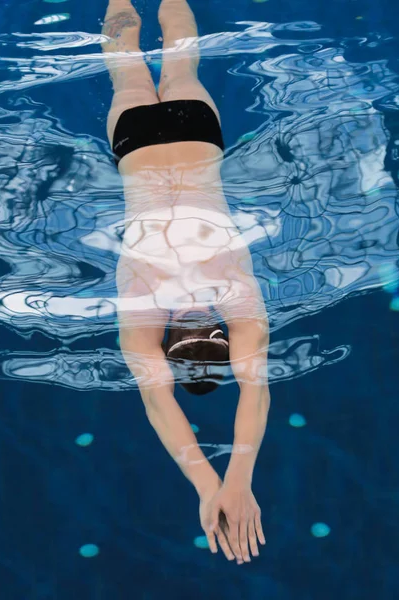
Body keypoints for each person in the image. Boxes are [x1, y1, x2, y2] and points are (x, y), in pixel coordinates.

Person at [101, 0, 270, 564]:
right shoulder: (141, 301)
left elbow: (256, 391)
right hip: (135, 146)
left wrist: (237, 475)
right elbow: (157, 402)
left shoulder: (237, 294)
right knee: (126, 65)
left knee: (181, 63)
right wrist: (207, 483)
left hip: (198, 137)